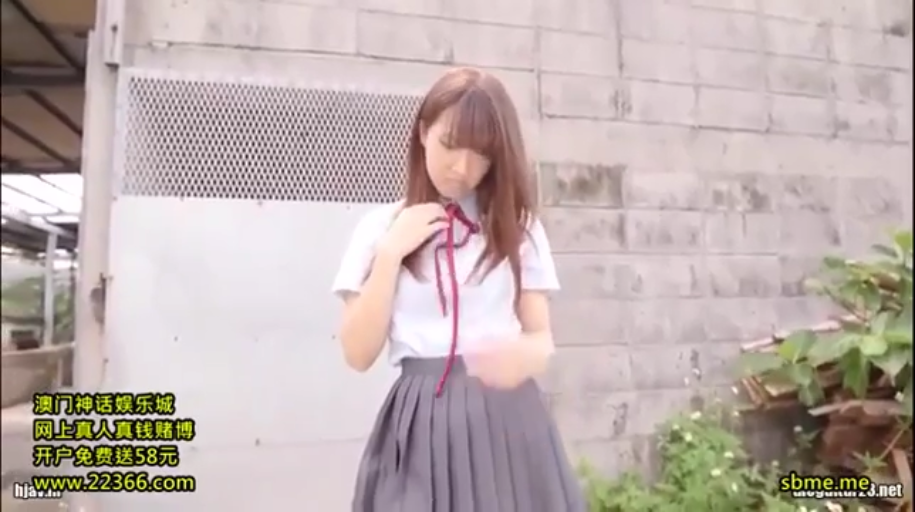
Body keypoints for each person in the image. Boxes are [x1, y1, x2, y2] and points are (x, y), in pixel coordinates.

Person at [331, 67, 586, 512]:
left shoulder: (517, 230)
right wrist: (391, 254)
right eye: (450, 144)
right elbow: (357, 354)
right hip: (419, 423)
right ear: (423, 133)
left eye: (480, 154)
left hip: (505, 422)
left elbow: (542, 341)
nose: (462, 168)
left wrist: (517, 357)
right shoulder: (379, 228)